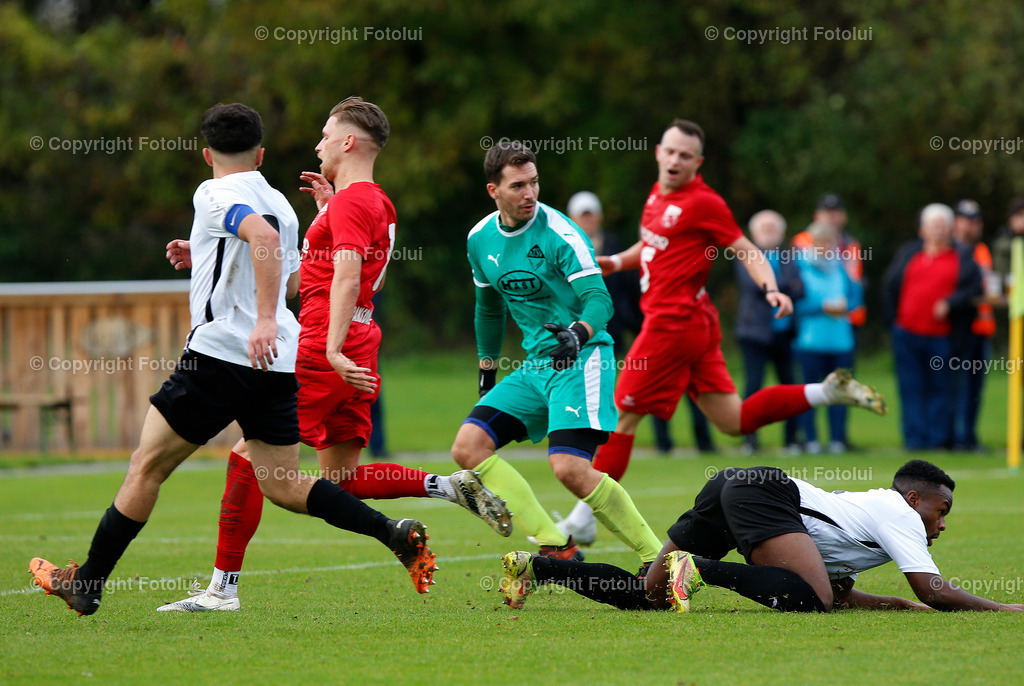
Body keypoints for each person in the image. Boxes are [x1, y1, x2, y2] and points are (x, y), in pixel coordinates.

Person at [30, 103, 438, 616]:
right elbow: (281, 265)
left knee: (146, 467)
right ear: (262, 154)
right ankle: (391, 533)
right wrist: (205, 253)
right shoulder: (281, 203)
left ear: (206, 154)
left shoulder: (213, 191)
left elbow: (261, 241)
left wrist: (264, 318)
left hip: (221, 354)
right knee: (285, 484)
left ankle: (87, 582)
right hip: (278, 362)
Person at [155, 98, 510, 612]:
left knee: (250, 457)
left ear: (348, 142)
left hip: (326, 345)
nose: (318, 143)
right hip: (362, 343)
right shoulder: (379, 204)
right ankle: (447, 486)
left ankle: (221, 590)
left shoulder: (348, 204)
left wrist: (331, 347)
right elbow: (367, 277)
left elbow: (344, 276)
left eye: (325, 134)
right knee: (338, 479)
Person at [561, 120, 886, 544]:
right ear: (659, 152)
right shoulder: (657, 195)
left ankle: (582, 519)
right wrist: (618, 261)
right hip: (693, 323)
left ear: (698, 162)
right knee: (734, 421)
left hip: (672, 324)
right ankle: (826, 391)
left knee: (622, 415)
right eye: (671, 152)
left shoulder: (704, 202)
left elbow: (746, 249)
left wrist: (771, 287)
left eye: (685, 155)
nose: (676, 160)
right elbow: (654, 244)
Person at [450, 141, 663, 570]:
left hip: (581, 356)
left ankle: (660, 559)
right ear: (493, 190)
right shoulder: (480, 239)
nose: (529, 193)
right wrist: (487, 368)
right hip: (535, 366)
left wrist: (577, 333)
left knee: (568, 467)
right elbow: (488, 308)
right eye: (517, 186)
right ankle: (557, 544)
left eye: (534, 183)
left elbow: (600, 300)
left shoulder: (561, 233)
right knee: (468, 447)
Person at [499, 460, 1024, 613]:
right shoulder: (900, 514)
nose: (942, 522)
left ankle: (536, 567)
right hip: (765, 490)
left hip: (736, 482)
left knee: (647, 595)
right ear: (915, 500)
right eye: (942, 509)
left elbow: (838, 590)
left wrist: (894, 606)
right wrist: (1008, 611)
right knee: (810, 603)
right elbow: (932, 588)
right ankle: (698, 570)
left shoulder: (874, 520)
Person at [883, 203, 982, 451]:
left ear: (950, 229)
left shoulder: (962, 257)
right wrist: (893, 321)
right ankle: (914, 440)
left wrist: (951, 302)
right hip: (906, 333)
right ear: (922, 229)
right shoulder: (909, 253)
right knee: (910, 388)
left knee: (941, 389)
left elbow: (974, 290)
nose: (937, 231)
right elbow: (890, 286)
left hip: (943, 337)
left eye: (942, 226)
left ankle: (938, 440)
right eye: (932, 226)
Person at [734, 209, 803, 455]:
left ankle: (792, 439)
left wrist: (777, 287)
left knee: (789, 386)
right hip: (754, 332)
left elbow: (800, 288)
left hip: (784, 332)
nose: (769, 233)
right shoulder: (747, 255)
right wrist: (782, 286)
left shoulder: (788, 255)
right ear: (754, 233)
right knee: (754, 385)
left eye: (773, 228)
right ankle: (750, 439)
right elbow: (755, 286)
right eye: (765, 229)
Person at [793, 222, 863, 455]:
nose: (825, 247)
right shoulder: (801, 268)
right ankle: (811, 439)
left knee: (840, 393)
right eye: (820, 242)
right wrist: (822, 307)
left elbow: (855, 296)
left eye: (828, 242)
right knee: (811, 393)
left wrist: (846, 306)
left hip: (840, 341)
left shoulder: (841, 268)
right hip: (811, 341)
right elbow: (797, 303)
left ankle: (837, 439)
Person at [950, 199, 995, 452]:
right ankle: (958, 435)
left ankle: (969, 434)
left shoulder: (981, 250)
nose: (971, 225)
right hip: (961, 328)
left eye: (975, 220)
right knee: (960, 385)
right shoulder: (952, 251)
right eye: (966, 219)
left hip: (982, 327)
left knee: (976, 387)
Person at [791, 192, 867, 330]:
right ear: (816, 216)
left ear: (844, 217)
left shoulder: (851, 244)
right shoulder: (802, 241)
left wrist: (851, 302)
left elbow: (856, 278)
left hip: (847, 316)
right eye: (827, 212)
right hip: (811, 317)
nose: (832, 217)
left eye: (836, 212)